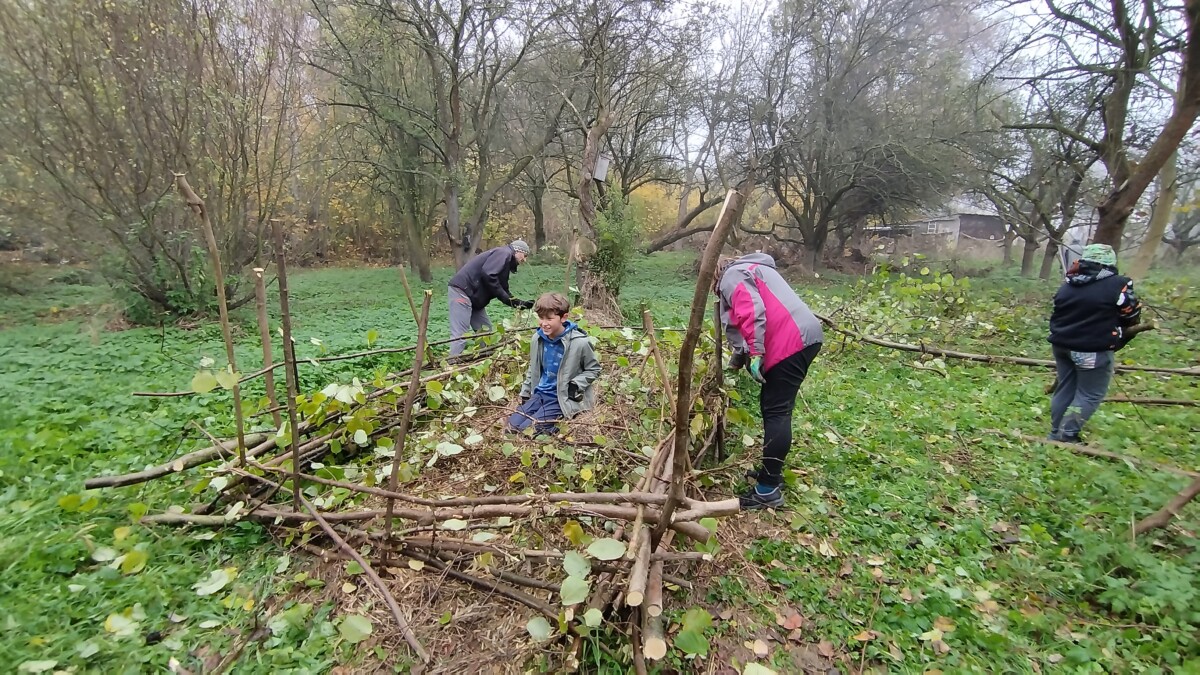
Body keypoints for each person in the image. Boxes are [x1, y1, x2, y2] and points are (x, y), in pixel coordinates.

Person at [715, 253, 824, 510]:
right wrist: (738, 359)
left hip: (791, 341)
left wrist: (755, 352)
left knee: (776, 411)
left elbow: (751, 311)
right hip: (805, 336)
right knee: (774, 407)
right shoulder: (753, 269)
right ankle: (770, 475)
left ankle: (767, 491)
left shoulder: (732, 275)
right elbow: (747, 316)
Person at [1047, 243, 1142, 443]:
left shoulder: (1069, 283)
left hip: (1062, 345)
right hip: (1091, 349)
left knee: (1066, 387)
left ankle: (1056, 431)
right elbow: (1130, 311)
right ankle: (1067, 435)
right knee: (1090, 393)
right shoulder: (1118, 284)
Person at [508, 292, 601, 435]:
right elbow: (533, 368)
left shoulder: (579, 343)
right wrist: (526, 392)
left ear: (563, 317)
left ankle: (559, 425)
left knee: (529, 430)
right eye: (541, 318)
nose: (544, 323)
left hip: (561, 397)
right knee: (512, 426)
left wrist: (576, 385)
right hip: (540, 393)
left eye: (549, 319)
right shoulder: (537, 339)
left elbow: (594, 369)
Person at [447, 240, 535, 357]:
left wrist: (519, 303)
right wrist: (505, 296)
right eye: (525, 256)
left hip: (474, 298)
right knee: (460, 334)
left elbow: (503, 289)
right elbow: (489, 274)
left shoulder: (504, 261)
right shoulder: (504, 253)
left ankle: (486, 359)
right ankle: (452, 364)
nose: (524, 260)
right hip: (462, 291)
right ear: (518, 251)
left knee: (485, 332)